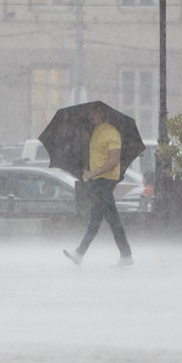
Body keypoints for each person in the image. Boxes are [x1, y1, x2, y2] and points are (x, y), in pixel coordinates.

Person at [64, 106, 133, 267]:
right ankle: (126, 254)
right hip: (99, 181)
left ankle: (80, 252)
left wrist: (93, 173)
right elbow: (96, 154)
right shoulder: (96, 132)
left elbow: (114, 160)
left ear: (102, 114)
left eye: (94, 112)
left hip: (105, 180)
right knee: (113, 219)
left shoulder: (111, 133)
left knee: (95, 218)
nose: (91, 115)